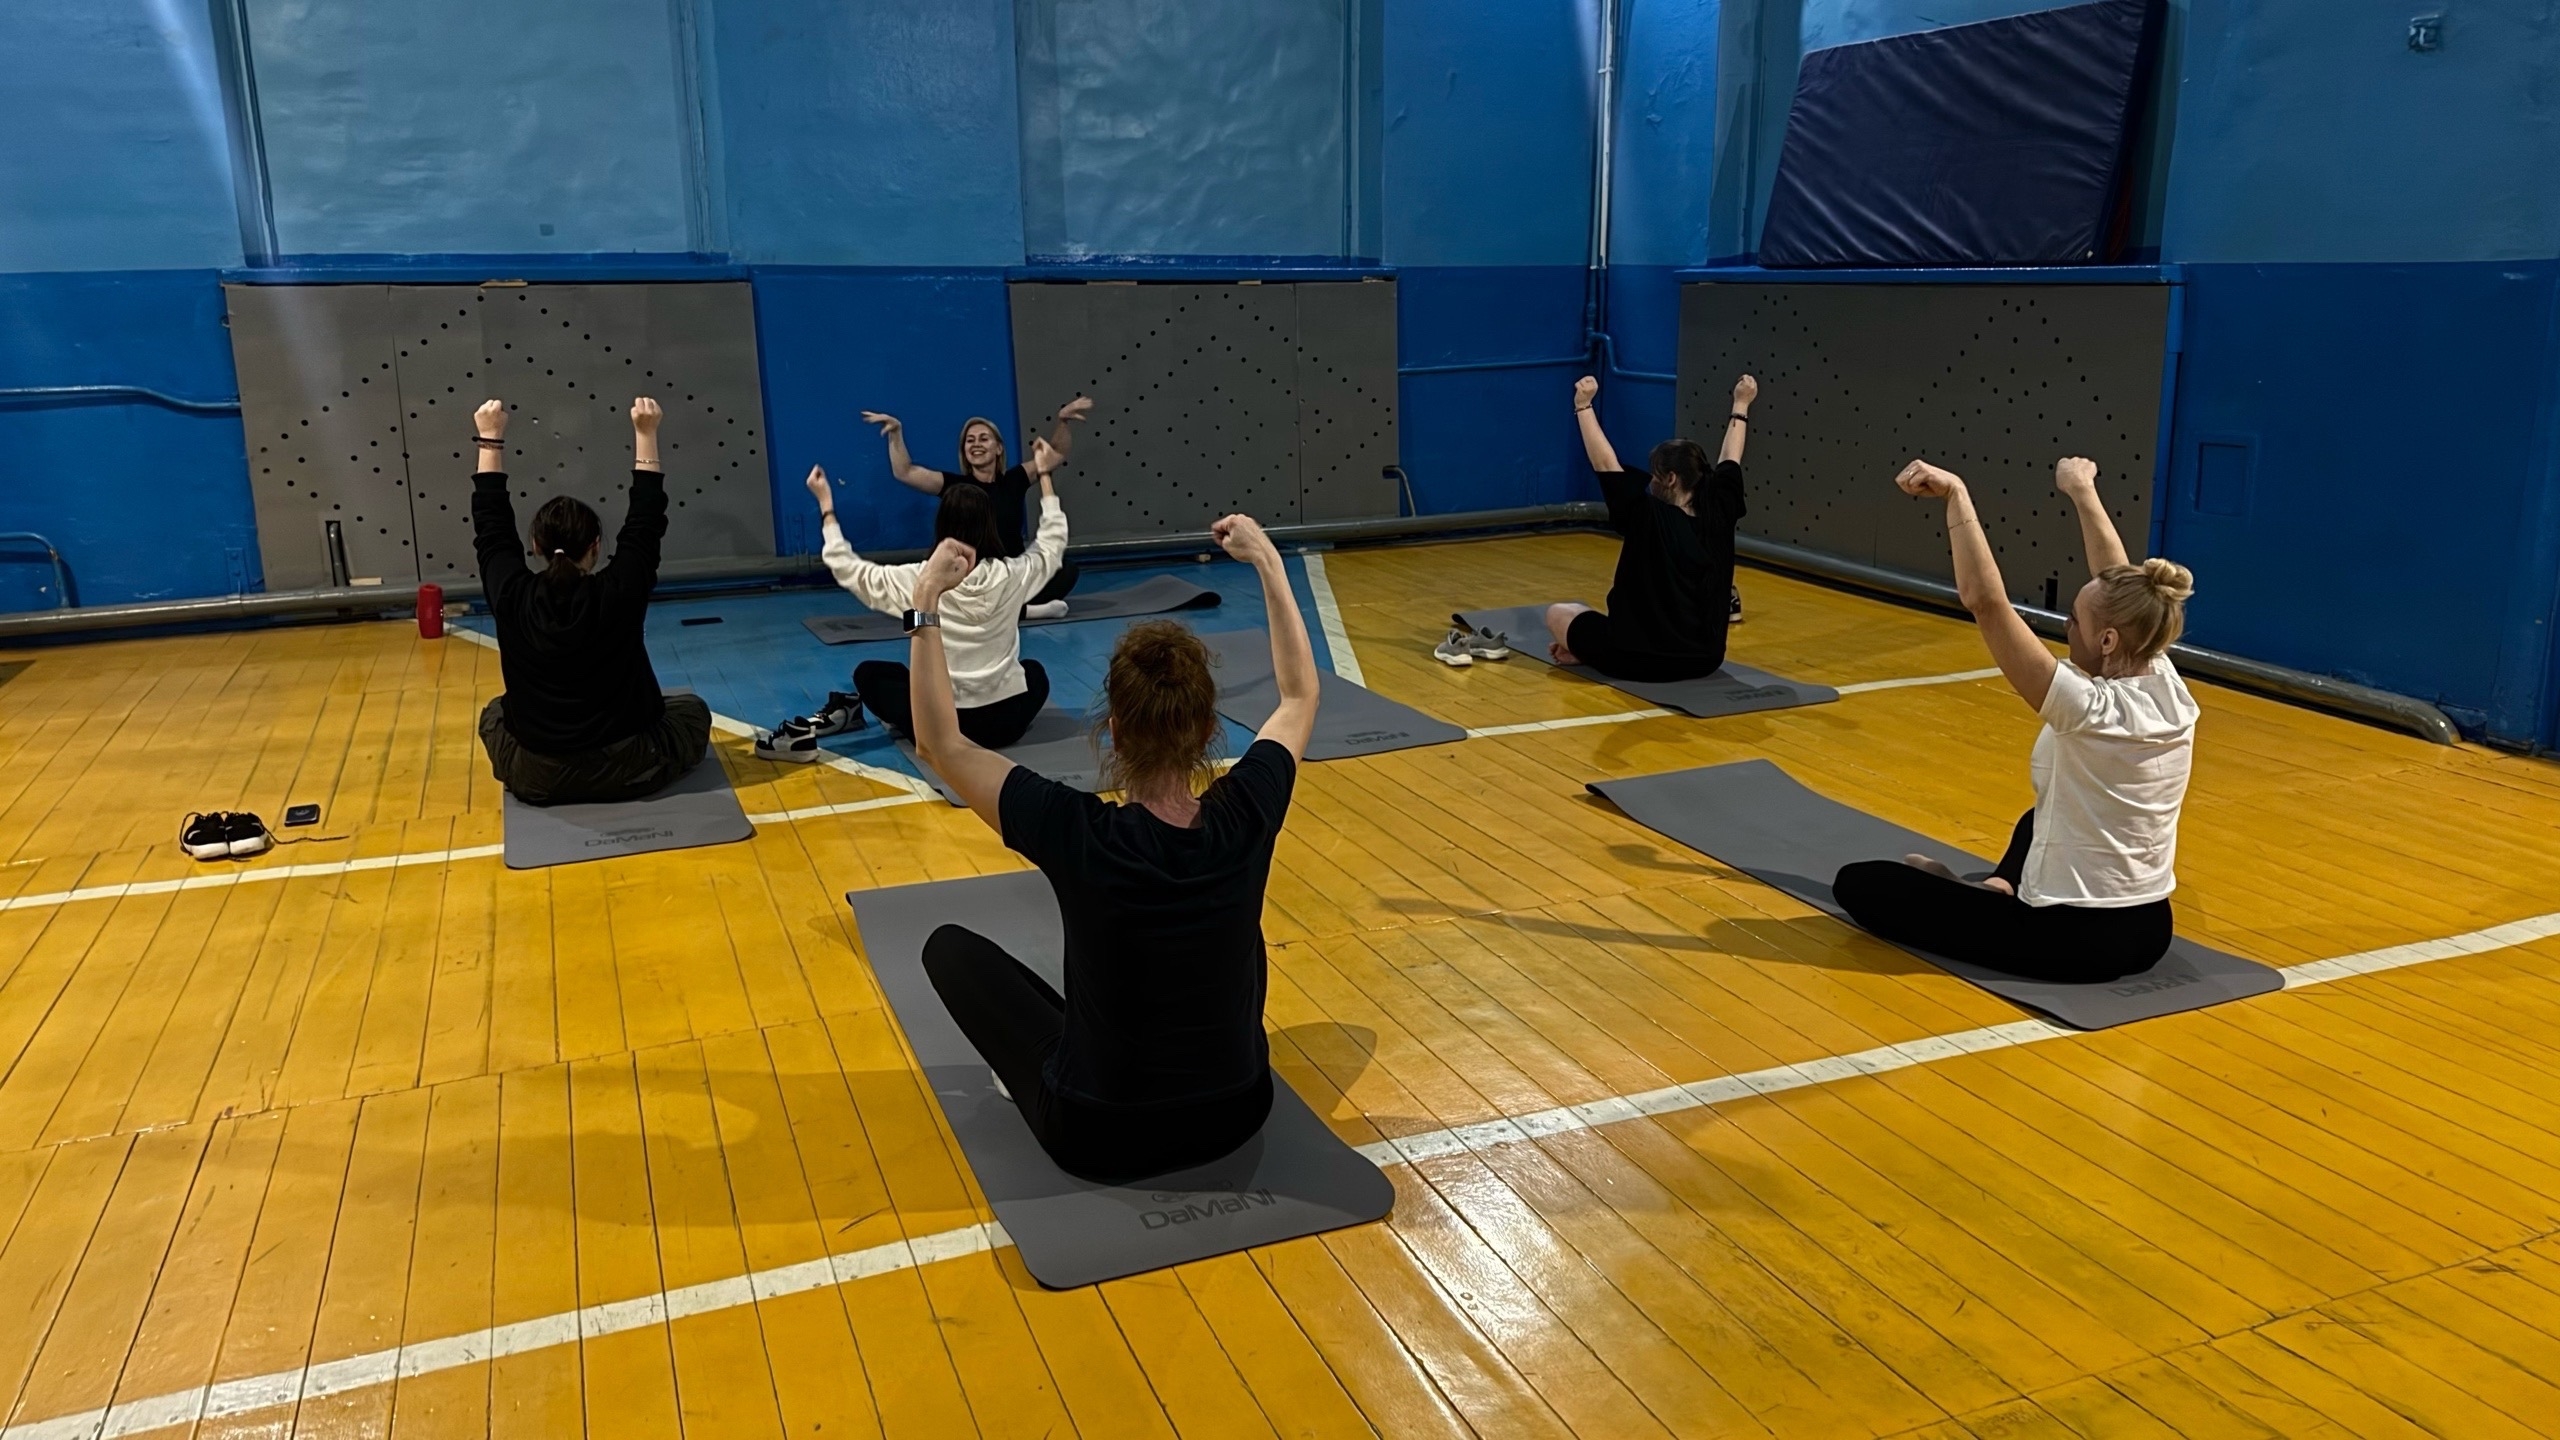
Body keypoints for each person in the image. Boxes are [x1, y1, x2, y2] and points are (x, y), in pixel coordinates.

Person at [905, 513, 1318, 1183]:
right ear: (1207, 730)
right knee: (1234, 930)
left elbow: (939, 744)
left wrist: (926, 599)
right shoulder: (1246, 812)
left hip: (1098, 1136)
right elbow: (1298, 696)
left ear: (1116, 732)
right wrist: (1268, 560)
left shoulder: (1077, 830)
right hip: (1238, 1113)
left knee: (949, 949)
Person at [1832, 456, 2200, 983]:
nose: (2066, 627)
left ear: (2107, 640)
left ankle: (1992, 898)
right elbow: (2120, 584)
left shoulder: (2089, 708)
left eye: (2073, 619)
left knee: (1862, 884)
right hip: (2151, 927)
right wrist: (2082, 491)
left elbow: (1985, 602)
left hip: (2077, 939)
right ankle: (1999, 887)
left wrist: (1957, 495)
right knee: (2037, 820)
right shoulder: (2164, 678)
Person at [470, 396, 712, 806]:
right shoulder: (620, 591)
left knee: (495, 713)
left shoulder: (512, 594)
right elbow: (645, 522)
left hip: (538, 778)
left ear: (535, 546)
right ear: (596, 546)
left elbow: (491, 527)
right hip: (633, 768)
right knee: (692, 710)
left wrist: (490, 438)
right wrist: (646, 432)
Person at [805, 440, 1068, 749]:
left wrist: (826, 507)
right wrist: (1045, 475)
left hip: (942, 729)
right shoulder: (1012, 574)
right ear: (989, 525)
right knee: (1034, 672)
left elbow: (847, 568)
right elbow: (1052, 543)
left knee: (869, 674)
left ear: (941, 525)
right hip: (1004, 725)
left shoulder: (919, 579)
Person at [1546, 373, 1754, 679]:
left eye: (1655, 475)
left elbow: (1605, 463)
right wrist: (1741, 403)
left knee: (1560, 613)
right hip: (1706, 660)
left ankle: (1583, 651)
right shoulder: (1721, 510)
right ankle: (1583, 650)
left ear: (1670, 479)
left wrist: (1583, 405)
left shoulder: (1646, 515)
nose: (1651, 481)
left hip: (1636, 661)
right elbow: (1730, 459)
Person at [862, 398, 1093, 617]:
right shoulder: (954, 486)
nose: (976, 444)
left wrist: (1063, 421)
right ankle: (1024, 612)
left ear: (998, 448)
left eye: (984, 439)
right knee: (939, 593)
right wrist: (896, 433)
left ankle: (1006, 610)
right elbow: (905, 472)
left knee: (1065, 570)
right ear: (964, 450)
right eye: (970, 440)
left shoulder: (1015, 479)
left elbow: (1056, 455)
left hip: (1010, 574)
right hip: (971, 577)